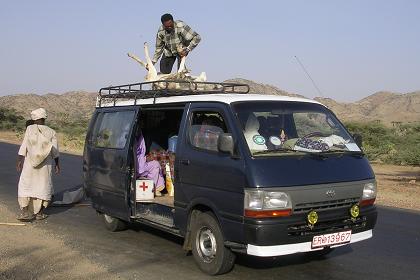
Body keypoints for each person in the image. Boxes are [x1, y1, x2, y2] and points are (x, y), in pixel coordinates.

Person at [16, 108, 60, 221]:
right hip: (45, 166)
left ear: (34, 118)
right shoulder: (52, 132)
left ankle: (24, 212)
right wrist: (57, 164)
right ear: (44, 118)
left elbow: (24, 145)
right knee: (43, 187)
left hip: (29, 164)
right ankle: (40, 213)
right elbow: (55, 151)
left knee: (25, 186)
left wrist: (20, 160)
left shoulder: (30, 129)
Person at [135, 128, 165, 196]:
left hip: (142, 165)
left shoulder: (142, 137)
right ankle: (151, 188)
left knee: (156, 164)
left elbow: (141, 153)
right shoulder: (131, 138)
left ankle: (155, 188)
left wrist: (146, 158)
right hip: (134, 167)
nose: (138, 130)